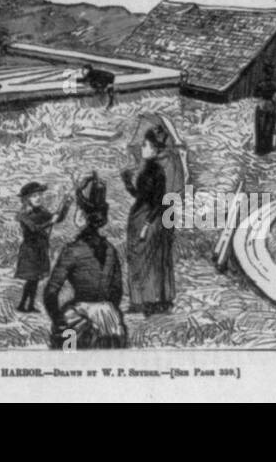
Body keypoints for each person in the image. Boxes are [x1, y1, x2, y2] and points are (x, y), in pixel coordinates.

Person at [43, 172, 127, 349]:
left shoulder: (72, 251)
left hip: (78, 323)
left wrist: (58, 319)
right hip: (110, 323)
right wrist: (105, 311)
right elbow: (116, 292)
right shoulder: (111, 250)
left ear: (81, 216)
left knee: (66, 351)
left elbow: (51, 293)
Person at [123, 127, 176, 316]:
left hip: (148, 219)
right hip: (141, 216)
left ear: (154, 149)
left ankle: (148, 302)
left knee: (145, 260)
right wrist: (128, 183)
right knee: (139, 258)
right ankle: (142, 301)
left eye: (145, 145)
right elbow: (141, 196)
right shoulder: (147, 170)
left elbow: (157, 201)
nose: (142, 148)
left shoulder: (157, 172)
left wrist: (146, 225)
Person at [14, 182, 70, 313]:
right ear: (27, 199)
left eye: (39, 195)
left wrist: (66, 204)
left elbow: (58, 219)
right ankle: (23, 304)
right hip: (30, 251)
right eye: (34, 196)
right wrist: (50, 222)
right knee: (31, 279)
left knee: (35, 280)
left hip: (40, 250)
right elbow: (34, 229)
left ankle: (29, 305)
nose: (38, 198)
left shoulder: (42, 211)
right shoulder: (23, 215)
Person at [253, 63, 276, 155]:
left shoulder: (261, 83)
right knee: (269, 127)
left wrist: (261, 98)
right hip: (270, 106)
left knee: (260, 127)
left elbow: (255, 94)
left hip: (262, 105)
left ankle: (260, 148)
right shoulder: (274, 84)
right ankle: (267, 147)